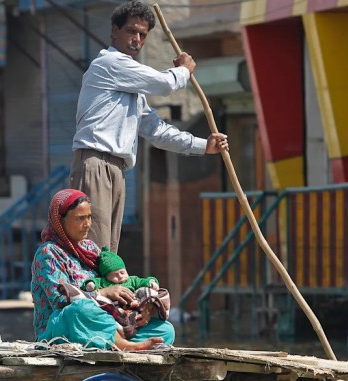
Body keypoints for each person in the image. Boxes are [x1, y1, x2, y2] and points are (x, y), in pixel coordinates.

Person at [70, 0, 229, 253]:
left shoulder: (133, 88)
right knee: (93, 246)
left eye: (142, 35)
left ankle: (106, 291)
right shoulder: (109, 64)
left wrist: (203, 146)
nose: (136, 39)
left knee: (108, 252)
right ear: (114, 31)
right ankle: (90, 292)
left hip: (116, 169)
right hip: (95, 164)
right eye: (130, 31)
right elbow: (164, 83)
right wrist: (184, 71)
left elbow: (157, 131)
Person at [30, 188, 174, 350]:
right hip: (64, 328)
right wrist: (104, 293)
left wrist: (142, 309)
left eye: (90, 217)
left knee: (165, 329)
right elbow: (60, 301)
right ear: (60, 221)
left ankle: (121, 342)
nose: (88, 224)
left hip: (106, 321)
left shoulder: (91, 248)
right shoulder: (48, 253)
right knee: (79, 309)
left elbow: (115, 284)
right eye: (80, 218)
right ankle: (127, 346)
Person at [79, 246, 170, 339]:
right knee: (112, 323)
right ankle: (122, 340)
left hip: (134, 310)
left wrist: (151, 282)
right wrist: (91, 285)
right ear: (106, 276)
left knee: (167, 330)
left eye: (122, 272)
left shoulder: (132, 280)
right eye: (114, 275)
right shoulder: (104, 282)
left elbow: (143, 281)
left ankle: (128, 339)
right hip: (115, 314)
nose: (120, 276)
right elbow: (93, 283)